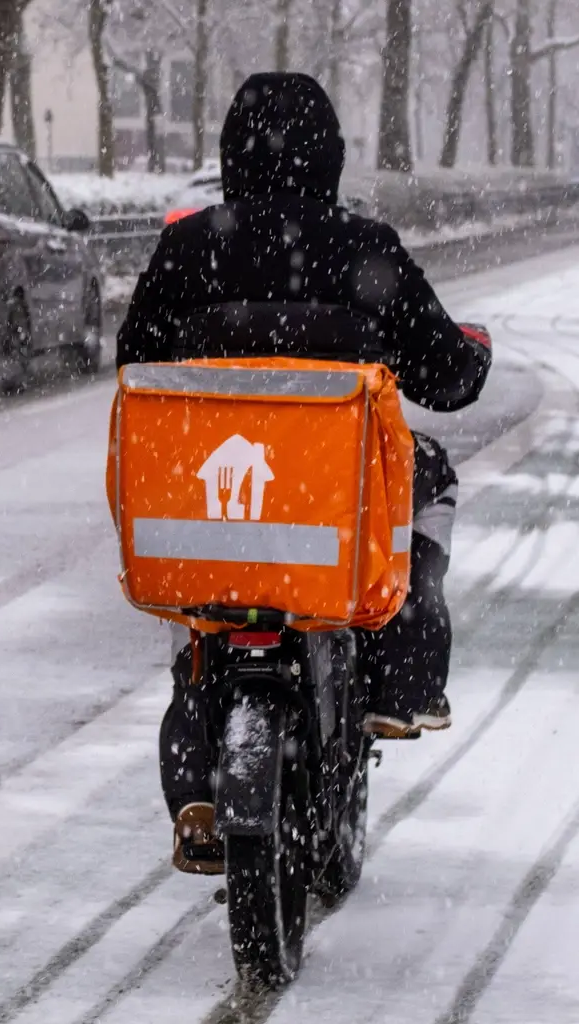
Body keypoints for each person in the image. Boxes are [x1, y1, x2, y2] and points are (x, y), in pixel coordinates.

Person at [117, 72, 491, 872]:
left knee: (200, 636)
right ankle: (402, 674)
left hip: (225, 505)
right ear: (331, 156)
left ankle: (193, 789)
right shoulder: (363, 249)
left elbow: (135, 361)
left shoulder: (188, 246)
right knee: (432, 480)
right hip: (329, 499)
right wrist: (466, 360)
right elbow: (444, 374)